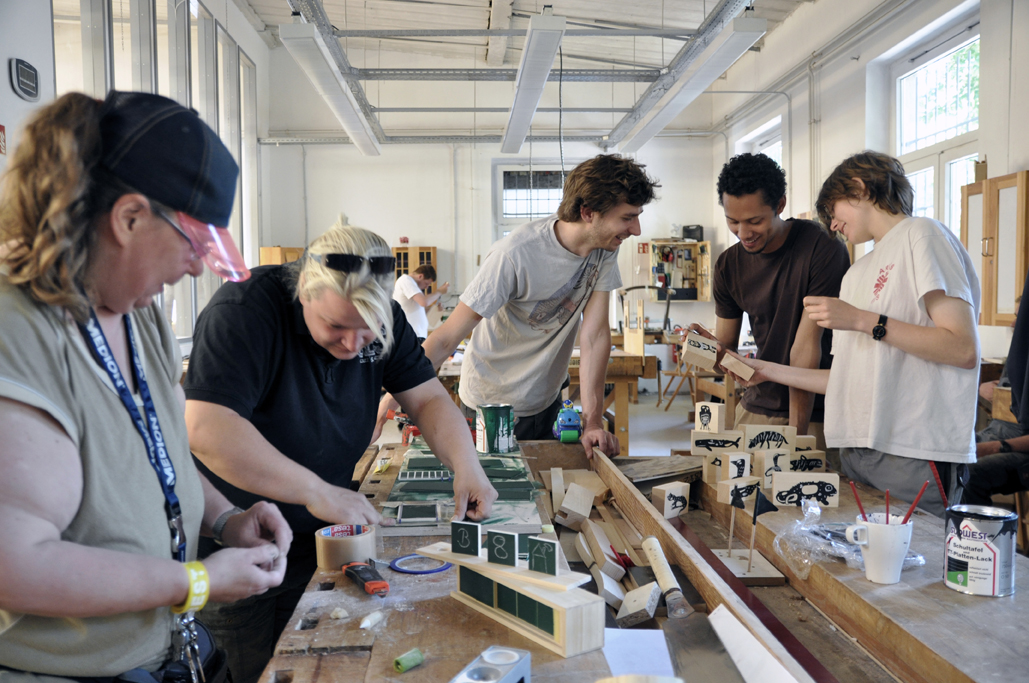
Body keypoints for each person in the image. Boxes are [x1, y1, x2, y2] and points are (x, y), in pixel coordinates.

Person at [0, 91, 291, 681]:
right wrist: (197, 582)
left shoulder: (137, 314)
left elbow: (157, 456)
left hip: (164, 655)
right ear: (129, 218)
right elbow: (16, 564)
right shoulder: (19, 334)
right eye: (193, 244)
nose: (194, 267)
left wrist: (223, 519)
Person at [183, 215, 497, 683]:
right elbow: (206, 428)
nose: (352, 344)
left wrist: (466, 464)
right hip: (233, 537)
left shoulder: (384, 318)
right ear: (304, 290)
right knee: (246, 670)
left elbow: (428, 397)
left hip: (320, 540)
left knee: (315, 665)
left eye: (367, 331)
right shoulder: (244, 310)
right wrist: (313, 489)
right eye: (335, 326)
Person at [724, 151, 979, 517]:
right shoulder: (857, 273)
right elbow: (843, 379)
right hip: (857, 451)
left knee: (916, 571)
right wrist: (763, 369)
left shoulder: (922, 234)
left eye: (833, 209)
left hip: (913, 450)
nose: (831, 224)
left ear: (859, 189)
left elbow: (962, 348)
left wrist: (863, 320)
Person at [379, 154, 660, 458]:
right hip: (490, 405)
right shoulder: (514, 255)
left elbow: (595, 335)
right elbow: (447, 337)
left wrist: (593, 421)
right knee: (492, 497)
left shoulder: (604, 248)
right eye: (627, 217)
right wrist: (389, 399)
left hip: (547, 400)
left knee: (544, 491)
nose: (636, 230)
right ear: (588, 212)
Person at [691, 153, 850, 447]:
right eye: (733, 222)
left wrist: (797, 438)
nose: (743, 233)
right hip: (758, 404)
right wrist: (703, 348)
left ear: (779, 205)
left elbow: (805, 349)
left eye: (754, 221)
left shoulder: (821, 247)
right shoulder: (728, 265)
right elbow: (726, 352)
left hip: (818, 411)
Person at [965, 278, 1029, 506]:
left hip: (1019, 448)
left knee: (970, 473)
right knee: (941, 459)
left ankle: (979, 540)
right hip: (996, 434)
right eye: (1015, 316)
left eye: (1020, 319)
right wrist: (983, 389)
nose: (1014, 324)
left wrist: (996, 447)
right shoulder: (1018, 357)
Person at [393, 264, 449, 340]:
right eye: (426, 283)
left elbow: (417, 310)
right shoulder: (405, 280)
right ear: (420, 276)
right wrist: (439, 291)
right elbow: (424, 302)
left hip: (416, 334)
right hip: (410, 334)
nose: (426, 287)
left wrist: (435, 310)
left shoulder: (413, 286)